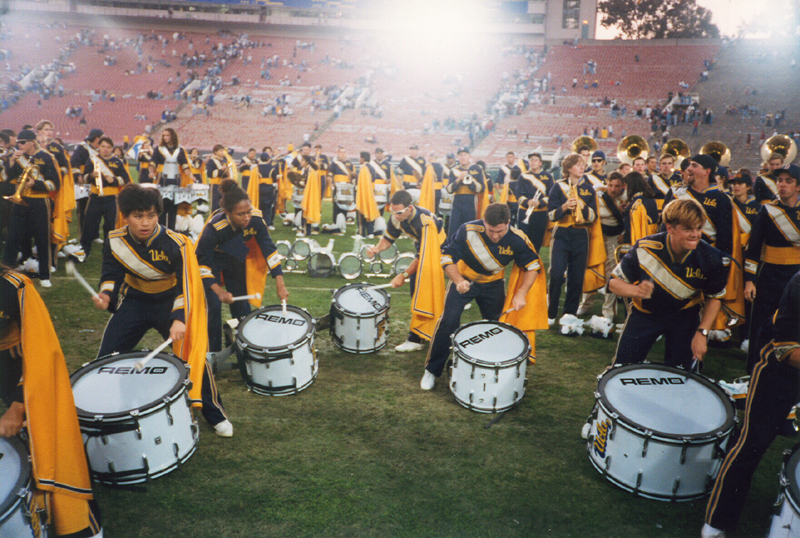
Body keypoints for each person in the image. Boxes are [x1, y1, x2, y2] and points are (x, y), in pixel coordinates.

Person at [92, 184, 233, 437]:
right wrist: (106, 295)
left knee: (193, 357)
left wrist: (178, 319)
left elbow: (186, 286)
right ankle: (105, 409)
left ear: (158, 214)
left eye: (151, 215)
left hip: (171, 302)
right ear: (125, 216)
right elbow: (111, 275)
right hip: (135, 302)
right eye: (137, 216)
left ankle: (215, 413)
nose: (145, 223)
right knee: (106, 358)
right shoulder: (115, 241)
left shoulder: (176, 243)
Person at [1, 266, 104, 538]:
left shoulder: (15, 287)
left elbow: (41, 352)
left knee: (51, 441)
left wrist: (17, 406)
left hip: (18, 368)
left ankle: (81, 524)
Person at [702, 269, 800, 538]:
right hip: (782, 371)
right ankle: (716, 523)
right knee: (752, 442)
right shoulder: (799, 283)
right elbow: (785, 349)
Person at [420, 203, 546, 390]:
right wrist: (458, 281)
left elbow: (533, 267)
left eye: (500, 231)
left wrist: (521, 293)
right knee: (448, 321)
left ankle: (494, 369)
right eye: (490, 230)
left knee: (497, 327)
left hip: (493, 285)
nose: (495, 235)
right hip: (464, 281)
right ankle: (431, 370)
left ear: (509, 223)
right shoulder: (467, 230)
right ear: (483, 221)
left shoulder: (518, 239)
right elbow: (447, 258)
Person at [609, 198, 730, 371]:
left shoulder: (712, 257)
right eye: (688, 229)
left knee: (684, 375)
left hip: (685, 317)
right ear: (670, 228)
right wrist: (635, 290)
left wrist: (702, 332)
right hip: (645, 315)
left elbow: (715, 297)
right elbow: (614, 283)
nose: (695, 235)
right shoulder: (645, 248)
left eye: (699, 228)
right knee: (622, 369)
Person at [196, 179, 287, 354]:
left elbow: (269, 250)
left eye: (248, 212)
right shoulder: (214, 228)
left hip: (236, 258)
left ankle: (245, 348)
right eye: (240, 214)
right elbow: (203, 266)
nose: (246, 218)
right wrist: (219, 291)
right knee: (213, 306)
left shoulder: (256, 219)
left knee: (242, 305)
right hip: (212, 261)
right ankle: (212, 355)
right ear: (227, 212)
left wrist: (280, 283)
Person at [365, 190, 444, 352]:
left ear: (410, 208)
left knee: (422, 292)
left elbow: (423, 257)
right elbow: (388, 238)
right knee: (420, 293)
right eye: (393, 211)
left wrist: (404, 275)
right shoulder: (397, 217)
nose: (396, 215)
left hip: (439, 252)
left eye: (399, 212)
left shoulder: (424, 222)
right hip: (423, 251)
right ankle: (427, 333)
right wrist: (376, 249)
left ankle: (417, 338)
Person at [743, 164, 800, 373]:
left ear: (798, 187)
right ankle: (754, 372)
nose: (782, 185)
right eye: (780, 180)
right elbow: (754, 247)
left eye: (788, 181)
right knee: (762, 324)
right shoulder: (767, 210)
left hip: (796, 277)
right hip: (769, 275)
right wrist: (749, 280)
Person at [547, 153, 601, 324]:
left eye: (583, 164)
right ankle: (551, 311)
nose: (582, 167)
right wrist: (564, 206)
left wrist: (581, 205)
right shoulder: (558, 186)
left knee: (577, 276)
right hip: (562, 233)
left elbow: (593, 216)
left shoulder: (589, 188)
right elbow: (550, 214)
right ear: (569, 168)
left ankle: (569, 313)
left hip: (581, 234)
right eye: (578, 164)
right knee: (556, 273)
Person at [2, 129, 61, 287]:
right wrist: (12, 162)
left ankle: (44, 275)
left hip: (40, 201)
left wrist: (36, 184)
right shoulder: (17, 156)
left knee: (42, 237)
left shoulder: (46, 157)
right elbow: (7, 177)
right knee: (13, 236)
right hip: (20, 200)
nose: (19, 145)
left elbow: (55, 183)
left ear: (31, 142)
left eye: (22, 142)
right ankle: (6, 272)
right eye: (18, 142)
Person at [71, 137, 131, 261]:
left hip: (111, 198)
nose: (105, 149)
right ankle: (84, 251)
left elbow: (125, 179)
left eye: (108, 147)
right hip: (95, 197)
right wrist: (91, 175)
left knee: (110, 227)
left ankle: (108, 252)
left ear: (112, 149)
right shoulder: (92, 160)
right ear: (99, 147)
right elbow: (84, 178)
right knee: (88, 225)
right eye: (103, 146)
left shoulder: (117, 162)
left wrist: (113, 180)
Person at [578, 172, 626, 320]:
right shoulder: (598, 194)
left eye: (617, 186)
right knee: (592, 268)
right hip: (597, 237)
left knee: (611, 274)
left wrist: (624, 231)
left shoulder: (626, 198)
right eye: (610, 185)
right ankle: (585, 305)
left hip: (614, 239)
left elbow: (629, 220)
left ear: (622, 186)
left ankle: (608, 311)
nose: (613, 189)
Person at [149, 127, 191, 230]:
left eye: (167, 135)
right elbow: (152, 162)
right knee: (162, 209)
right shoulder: (158, 149)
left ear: (173, 136)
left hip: (176, 181)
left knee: (173, 210)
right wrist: (151, 172)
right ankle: (161, 231)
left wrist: (191, 176)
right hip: (163, 181)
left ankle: (171, 232)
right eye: (164, 135)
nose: (165, 137)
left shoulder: (180, 149)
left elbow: (185, 165)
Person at [515, 152, 554, 252]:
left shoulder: (548, 176)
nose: (532, 162)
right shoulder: (523, 176)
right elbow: (518, 194)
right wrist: (527, 202)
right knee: (523, 239)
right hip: (525, 211)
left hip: (540, 213)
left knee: (537, 240)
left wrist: (540, 202)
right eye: (531, 160)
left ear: (540, 163)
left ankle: (534, 261)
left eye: (535, 160)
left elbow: (551, 195)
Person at [445, 146, 485, 237]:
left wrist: (470, 180)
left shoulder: (477, 169)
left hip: (471, 201)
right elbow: (449, 189)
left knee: (470, 227)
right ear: (458, 157)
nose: (463, 157)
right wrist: (458, 179)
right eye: (460, 155)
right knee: (454, 227)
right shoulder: (454, 170)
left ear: (469, 156)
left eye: (465, 155)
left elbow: (481, 188)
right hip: (457, 201)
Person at [70, 128, 103, 232]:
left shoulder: (100, 149)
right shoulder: (82, 148)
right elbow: (74, 163)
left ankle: (95, 234)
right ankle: (83, 234)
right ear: (97, 138)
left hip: (96, 182)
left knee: (96, 209)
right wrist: (78, 176)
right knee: (83, 209)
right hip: (83, 183)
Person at [355, 150, 381, 238]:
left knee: (362, 212)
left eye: (360, 157)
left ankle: (362, 233)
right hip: (371, 194)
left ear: (363, 158)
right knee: (370, 211)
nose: (359, 159)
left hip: (364, 194)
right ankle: (370, 232)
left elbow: (362, 184)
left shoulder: (364, 168)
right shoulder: (372, 167)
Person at [328, 146, 355, 228]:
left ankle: (342, 224)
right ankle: (335, 223)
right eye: (341, 152)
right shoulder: (334, 163)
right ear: (338, 153)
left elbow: (353, 176)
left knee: (345, 205)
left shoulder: (350, 163)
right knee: (336, 205)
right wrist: (331, 184)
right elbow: (329, 176)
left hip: (347, 187)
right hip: (337, 186)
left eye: (344, 152)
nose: (343, 154)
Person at [205, 144, 232, 212]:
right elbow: (209, 174)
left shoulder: (224, 160)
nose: (222, 152)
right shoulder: (211, 161)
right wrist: (221, 170)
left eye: (223, 151)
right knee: (215, 205)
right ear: (215, 152)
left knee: (223, 204)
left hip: (223, 184)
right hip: (215, 185)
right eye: (220, 151)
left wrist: (227, 172)